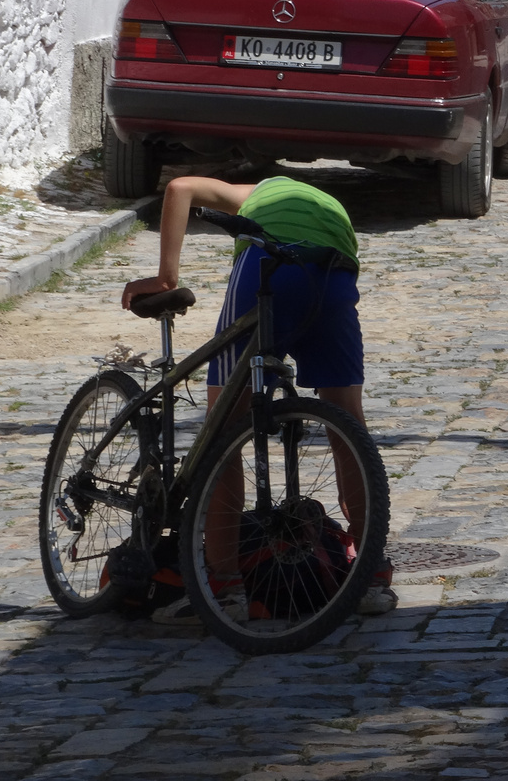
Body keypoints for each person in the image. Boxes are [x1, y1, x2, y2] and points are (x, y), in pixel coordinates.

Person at [121, 174, 397, 622]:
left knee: (223, 427)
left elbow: (180, 188)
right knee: (348, 425)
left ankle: (223, 589)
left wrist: (166, 276)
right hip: (333, 270)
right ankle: (371, 575)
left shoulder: (253, 193)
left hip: (269, 265)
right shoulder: (326, 200)